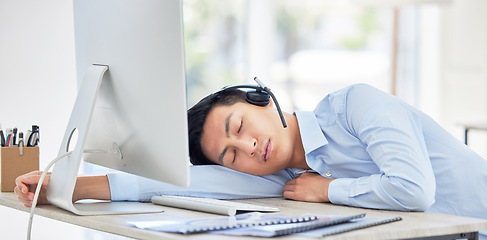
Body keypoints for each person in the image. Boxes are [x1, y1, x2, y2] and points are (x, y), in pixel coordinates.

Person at [15, 84, 487, 227]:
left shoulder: (357, 107)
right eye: (230, 155)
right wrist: (64, 186)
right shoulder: (284, 175)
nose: (246, 149)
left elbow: (415, 191)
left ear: (262, 99)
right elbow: (177, 183)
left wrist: (328, 191)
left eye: (237, 127)